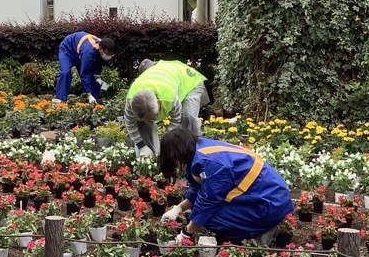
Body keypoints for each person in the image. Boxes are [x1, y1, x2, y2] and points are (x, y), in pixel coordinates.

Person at [158, 128, 294, 243]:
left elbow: (208, 202)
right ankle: (261, 226)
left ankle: (263, 231)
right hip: (268, 196)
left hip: (269, 204)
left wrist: (186, 234)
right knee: (203, 212)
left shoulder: (210, 163)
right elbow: (203, 189)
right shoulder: (201, 149)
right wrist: (178, 209)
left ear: (178, 153)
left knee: (210, 217)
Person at [124, 59, 209, 159]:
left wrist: (166, 139)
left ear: (159, 102)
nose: (153, 120)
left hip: (189, 81)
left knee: (188, 118)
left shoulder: (169, 96)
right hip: (164, 76)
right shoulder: (131, 100)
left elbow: (177, 119)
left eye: (153, 117)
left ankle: (192, 154)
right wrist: (142, 146)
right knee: (142, 123)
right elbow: (130, 123)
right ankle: (152, 158)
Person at [52, 32, 116, 104]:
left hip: (80, 51)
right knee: (65, 73)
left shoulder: (105, 47)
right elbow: (84, 74)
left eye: (111, 54)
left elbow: (98, 64)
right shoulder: (89, 52)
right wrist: (89, 95)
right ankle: (60, 101)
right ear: (100, 49)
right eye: (107, 53)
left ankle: (96, 101)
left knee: (93, 78)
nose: (109, 55)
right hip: (68, 49)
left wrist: (97, 77)